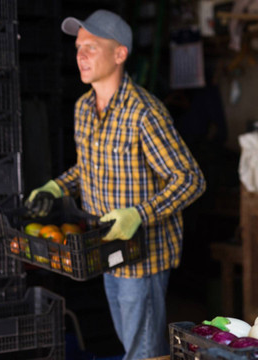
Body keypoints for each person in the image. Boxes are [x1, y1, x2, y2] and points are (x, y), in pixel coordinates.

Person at [24, 9, 206, 359]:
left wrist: (139, 214)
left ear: (119, 54)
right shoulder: (82, 109)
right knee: (131, 345)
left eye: (91, 46)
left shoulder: (144, 112)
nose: (80, 54)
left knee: (143, 352)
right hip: (105, 248)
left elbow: (191, 179)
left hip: (144, 256)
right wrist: (55, 188)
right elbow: (87, 168)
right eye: (78, 47)